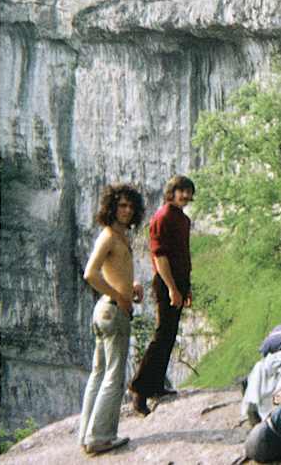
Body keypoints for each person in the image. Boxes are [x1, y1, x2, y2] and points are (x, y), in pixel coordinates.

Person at [77, 183, 145, 455]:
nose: (126, 211)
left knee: (98, 373)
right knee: (114, 377)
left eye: (130, 206)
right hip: (112, 311)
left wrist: (132, 286)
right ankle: (100, 437)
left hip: (108, 308)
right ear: (111, 207)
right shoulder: (108, 236)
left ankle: (86, 435)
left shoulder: (119, 236)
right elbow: (90, 274)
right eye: (121, 205)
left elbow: (116, 271)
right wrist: (120, 296)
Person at [129, 174, 196, 415]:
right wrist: (172, 288)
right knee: (161, 336)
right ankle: (139, 390)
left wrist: (185, 288)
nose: (186, 196)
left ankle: (156, 386)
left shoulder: (183, 219)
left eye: (189, 192)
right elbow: (160, 256)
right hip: (166, 282)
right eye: (182, 191)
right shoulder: (162, 217)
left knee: (168, 336)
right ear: (171, 192)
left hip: (179, 281)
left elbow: (183, 256)